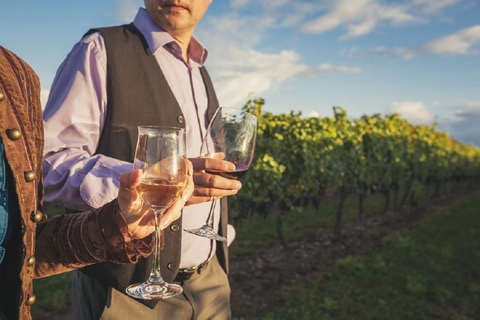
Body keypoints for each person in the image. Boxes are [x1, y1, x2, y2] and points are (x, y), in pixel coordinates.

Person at [42, 0, 242, 319]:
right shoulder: (99, 50)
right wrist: (144, 181)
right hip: (124, 293)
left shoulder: (200, 71)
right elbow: (49, 162)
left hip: (211, 282)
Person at [0, 46, 194, 320]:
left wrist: (118, 225)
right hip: (118, 291)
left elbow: (25, 244)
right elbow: (55, 160)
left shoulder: (16, 73)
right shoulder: (98, 49)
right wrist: (135, 179)